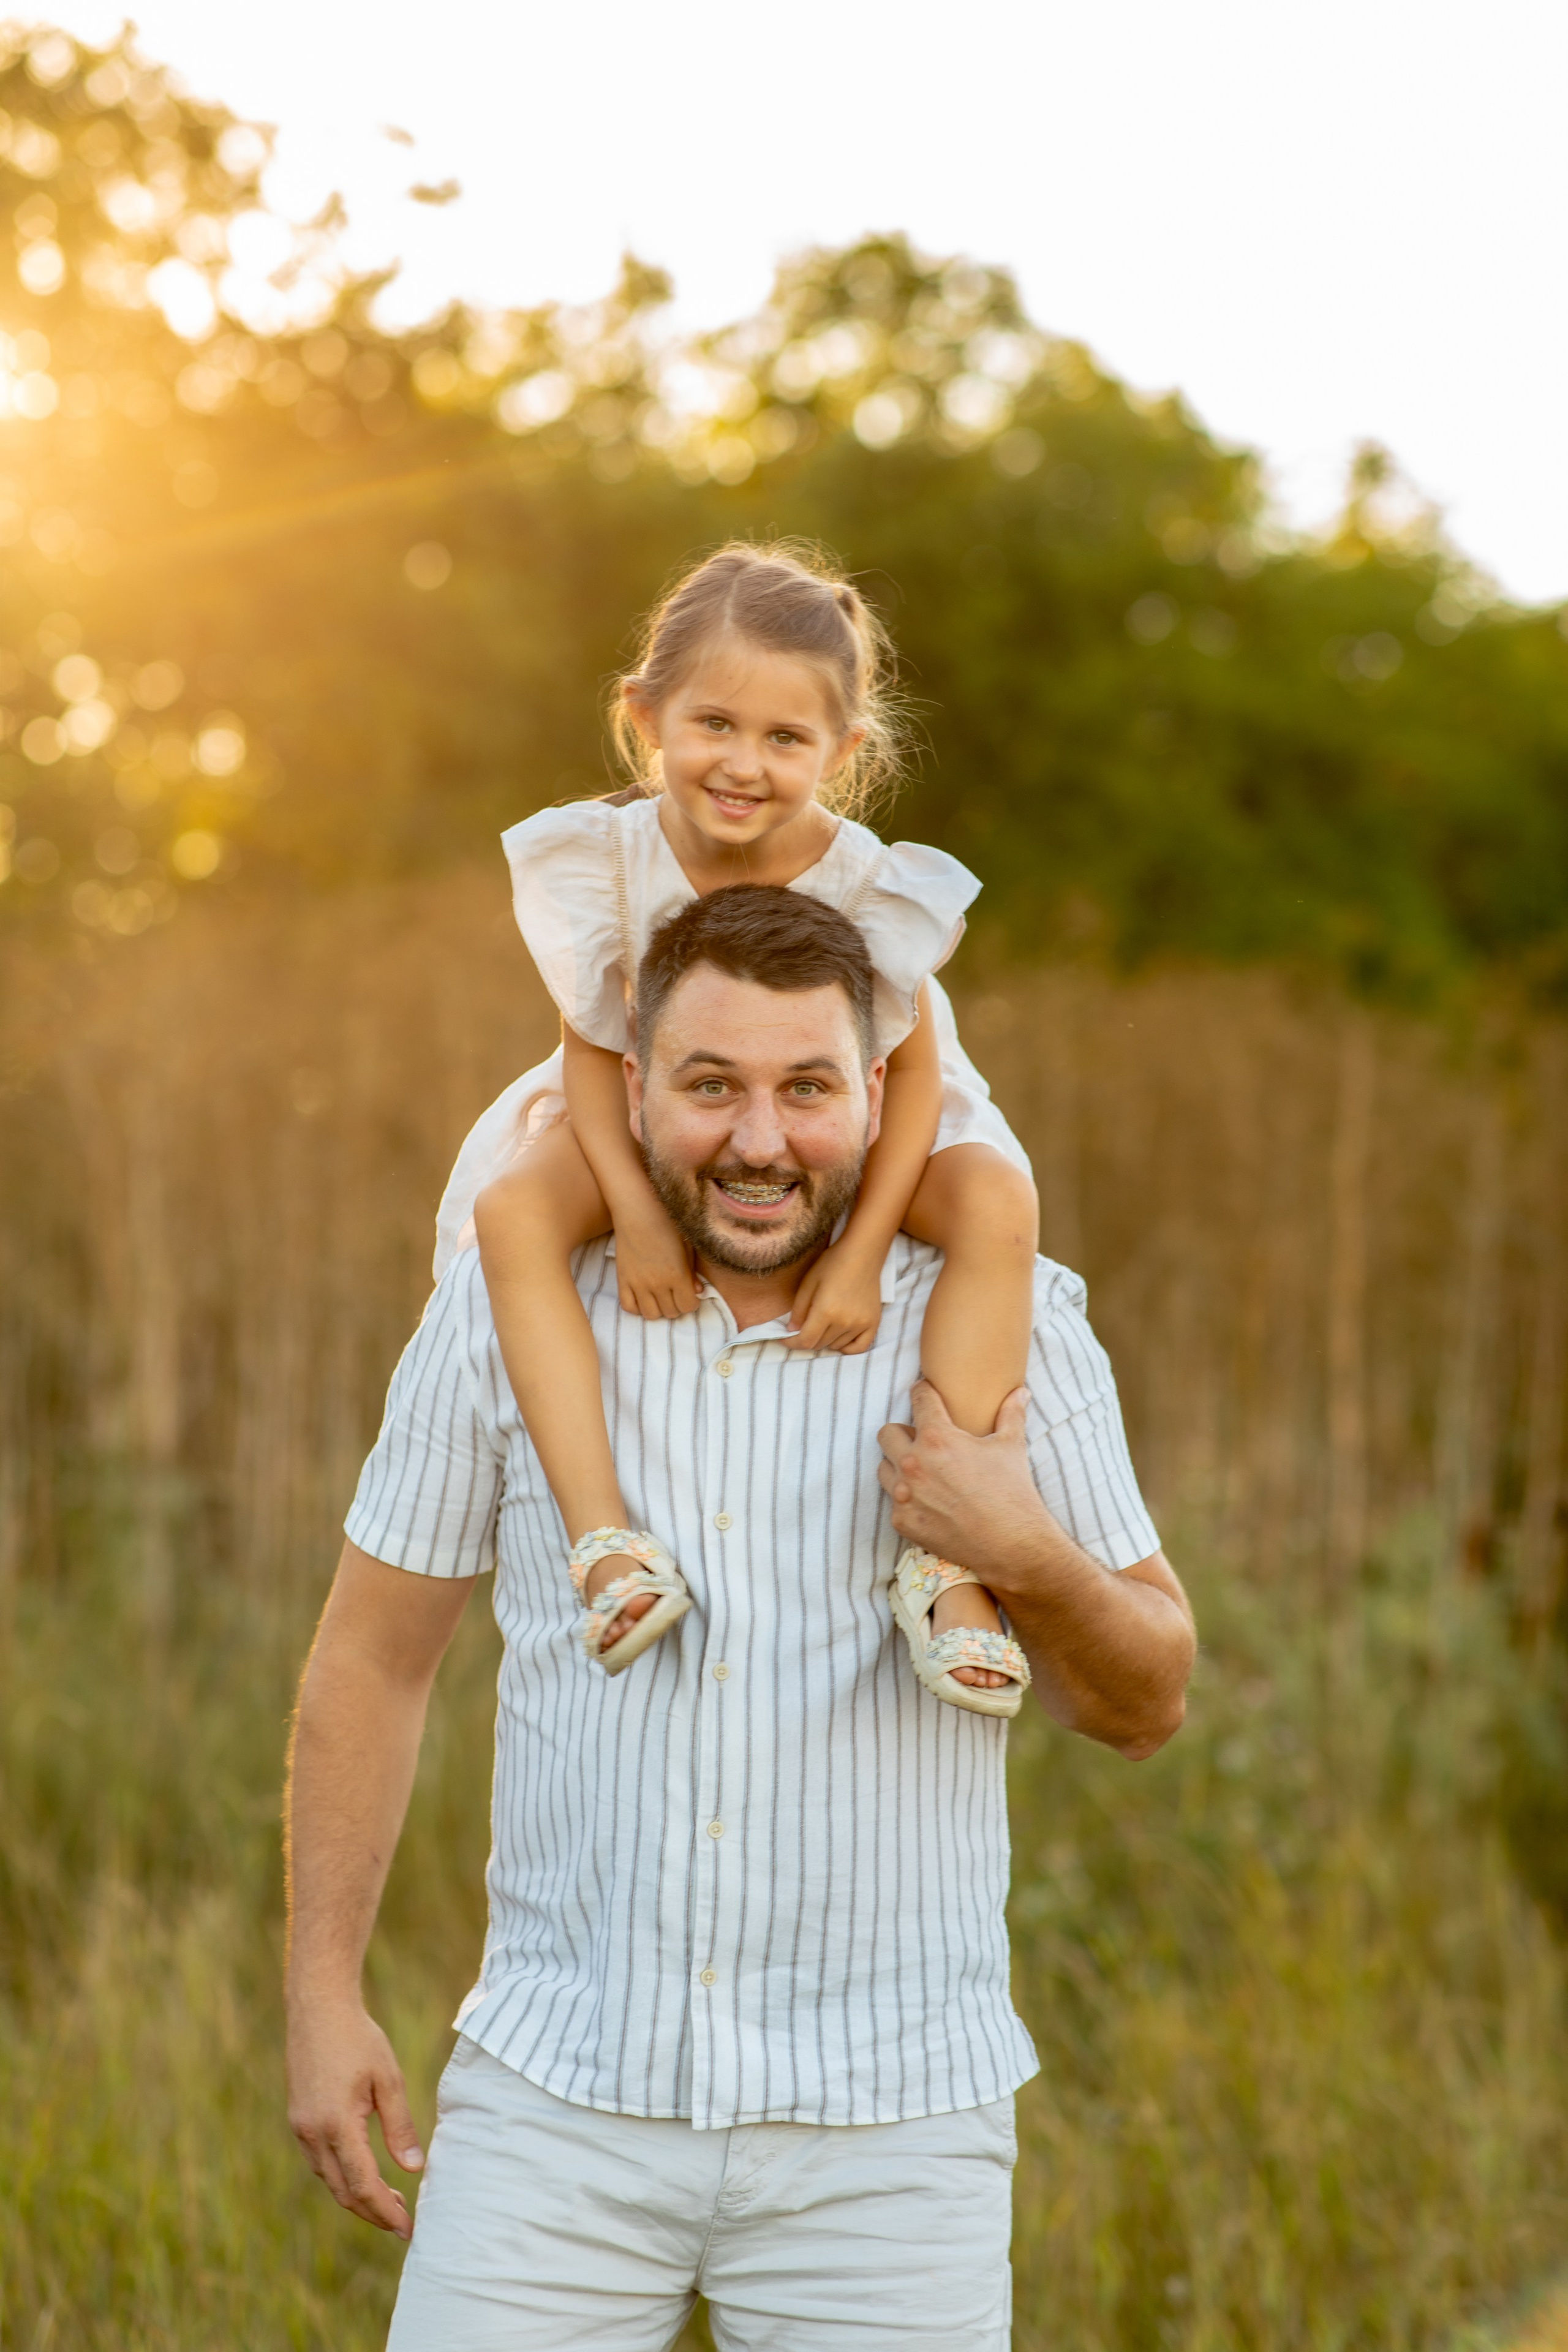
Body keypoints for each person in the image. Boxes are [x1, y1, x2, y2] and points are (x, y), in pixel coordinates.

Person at [285, 883, 1196, 2350]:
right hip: (554, 2109)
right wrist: (321, 1996)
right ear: (630, 1090)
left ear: (880, 1094)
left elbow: (1145, 1702)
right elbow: (373, 1659)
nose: (759, 1140)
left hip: (891, 2142)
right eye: (710, 1086)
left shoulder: (1009, 1315)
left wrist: (1020, 1550)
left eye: (806, 1089)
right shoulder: (505, 1310)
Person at [444, 540, 1039, 1711]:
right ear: (645, 716)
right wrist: (637, 1215)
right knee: (511, 1210)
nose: (743, 764)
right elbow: (593, 1048)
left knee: (996, 1199)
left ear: (843, 752)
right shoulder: (608, 861)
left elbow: (914, 1078)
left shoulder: (867, 883)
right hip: (646, 1106)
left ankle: (950, 1565)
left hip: (856, 1113)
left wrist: (863, 1251)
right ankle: (606, 1545)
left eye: (785, 739)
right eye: (713, 724)